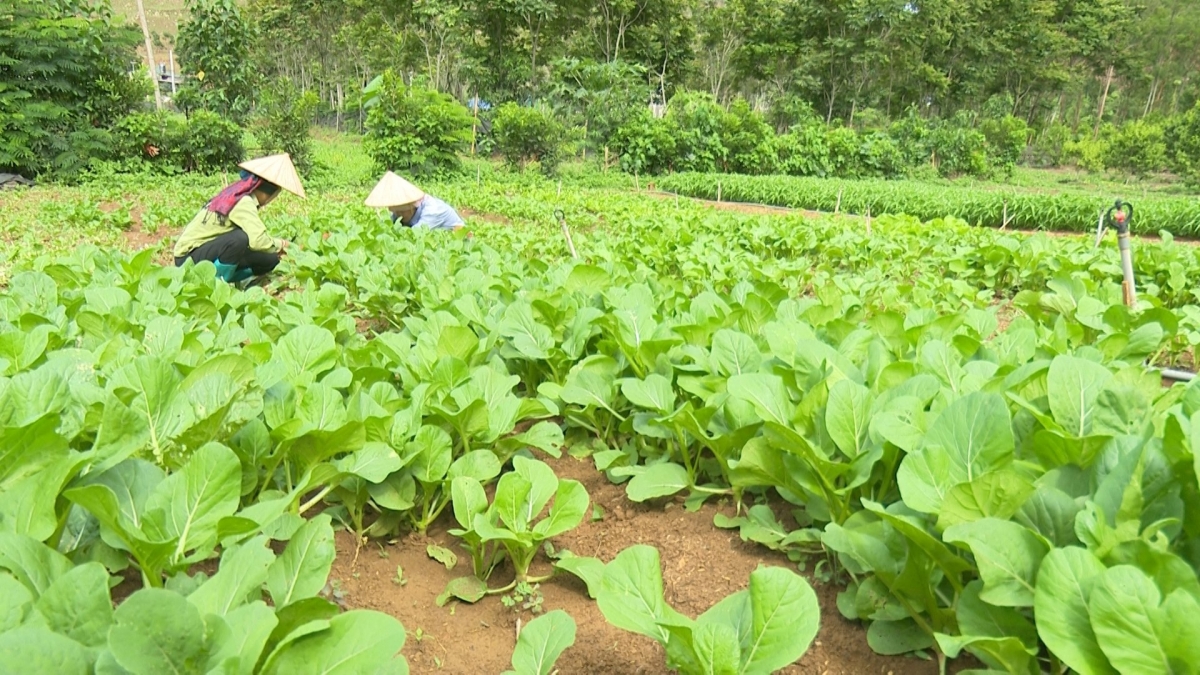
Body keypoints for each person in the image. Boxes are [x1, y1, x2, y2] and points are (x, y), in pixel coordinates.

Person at [173, 154, 306, 283]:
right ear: (269, 193)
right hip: (187, 258)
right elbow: (258, 241)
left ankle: (232, 279)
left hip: (209, 249)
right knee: (239, 239)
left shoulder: (239, 195)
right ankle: (215, 283)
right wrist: (283, 245)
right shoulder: (243, 201)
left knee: (270, 260)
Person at [365, 171, 465, 231]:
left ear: (412, 206)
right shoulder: (400, 213)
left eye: (401, 211)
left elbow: (415, 234)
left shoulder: (432, 210)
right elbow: (389, 226)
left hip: (455, 240)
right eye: (395, 211)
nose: (398, 214)